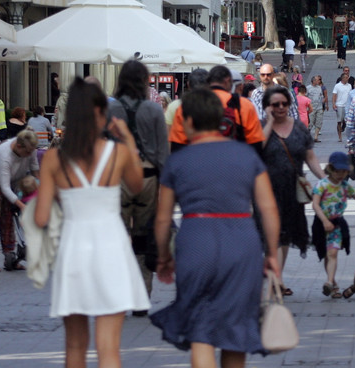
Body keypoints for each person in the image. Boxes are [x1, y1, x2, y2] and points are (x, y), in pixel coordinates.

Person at [151, 88, 281, 366]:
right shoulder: (247, 156)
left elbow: (162, 219)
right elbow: (268, 208)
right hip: (242, 242)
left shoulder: (178, 161)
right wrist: (271, 252)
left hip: (196, 241)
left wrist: (163, 256)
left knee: (201, 330)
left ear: (187, 121)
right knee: (236, 330)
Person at [34, 77, 149, 368]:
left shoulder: (53, 159)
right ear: (100, 111)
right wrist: (128, 138)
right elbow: (137, 186)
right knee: (108, 347)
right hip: (111, 246)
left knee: (74, 346)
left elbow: (41, 217)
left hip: (73, 247)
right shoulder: (119, 152)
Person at [107, 60, 171, 312]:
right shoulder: (154, 110)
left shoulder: (109, 110)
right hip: (148, 176)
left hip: (118, 176)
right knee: (144, 237)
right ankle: (142, 295)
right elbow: (163, 152)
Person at [260, 85, 326, 294]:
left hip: (291, 190)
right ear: (267, 107)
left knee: (285, 235)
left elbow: (310, 157)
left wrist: (326, 180)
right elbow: (256, 149)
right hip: (266, 191)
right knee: (271, 235)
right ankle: (274, 278)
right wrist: (270, 122)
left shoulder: (299, 128)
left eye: (284, 104)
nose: (281, 108)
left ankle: (276, 278)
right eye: (275, 104)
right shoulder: (261, 127)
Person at [0, 130, 39, 272]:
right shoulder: (5, 155)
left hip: (11, 183)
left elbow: (36, 171)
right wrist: (22, 206)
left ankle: (9, 258)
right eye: (28, 152)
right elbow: (4, 188)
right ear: (19, 146)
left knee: (8, 220)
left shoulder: (31, 149)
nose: (30, 155)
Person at [169, 66, 263, 152]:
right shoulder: (244, 105)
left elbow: (177, 145)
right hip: (235, 163)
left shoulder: (187, 105)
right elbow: (256, 144)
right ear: (228, 82)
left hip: (196, 163)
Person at [311, 152, 355, 299]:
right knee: (326, 255)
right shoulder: (322, 185)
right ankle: (333, 284)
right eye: (337, 171)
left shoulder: (345, 186)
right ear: (330, 170)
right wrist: (325, 221)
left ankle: (328, 282)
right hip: (321, 224)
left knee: (332, 253)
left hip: (337, 225)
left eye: (344, 172)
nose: (340, 175)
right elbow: (315, 205)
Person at [331, 69, 353, 143]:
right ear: (343, 78)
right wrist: (334, 104)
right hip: (339, 105)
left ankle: (349, 136)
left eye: (348, 77)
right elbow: (334, 95)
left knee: (348, 121)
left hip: (347, 105)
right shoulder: (337, 86)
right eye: (346, 78)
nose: (347, 79)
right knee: (339, 121)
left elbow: (350, 95)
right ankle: (340, 136)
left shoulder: (349, 85)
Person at [307, 75, 328, 142]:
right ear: (313, 81)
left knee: (319, 122)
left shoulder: (319, 87)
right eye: (317, 80)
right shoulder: (308, 88)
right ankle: (307, 136)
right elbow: (305, 97)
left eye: (319, 80)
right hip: (311, 108)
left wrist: (323, 101)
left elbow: (322, 95)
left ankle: (316, 137)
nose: (318, 81)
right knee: (310, 122)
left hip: (319, 107)